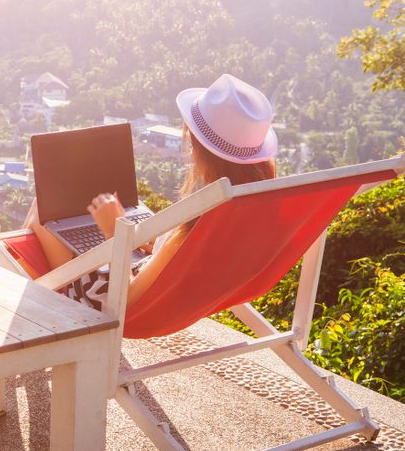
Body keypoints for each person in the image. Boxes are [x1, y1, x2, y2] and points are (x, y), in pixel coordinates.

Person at [23, 73, 278, 307]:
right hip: (162, 285)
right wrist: (156, 243)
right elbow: (187, 261)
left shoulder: (198, 222)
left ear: (200, 149)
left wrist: (116, 232)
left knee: (42, 211)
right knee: (59, 221)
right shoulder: (253, 208)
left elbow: (128, 299)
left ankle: (45, 305)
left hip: (110, 298)